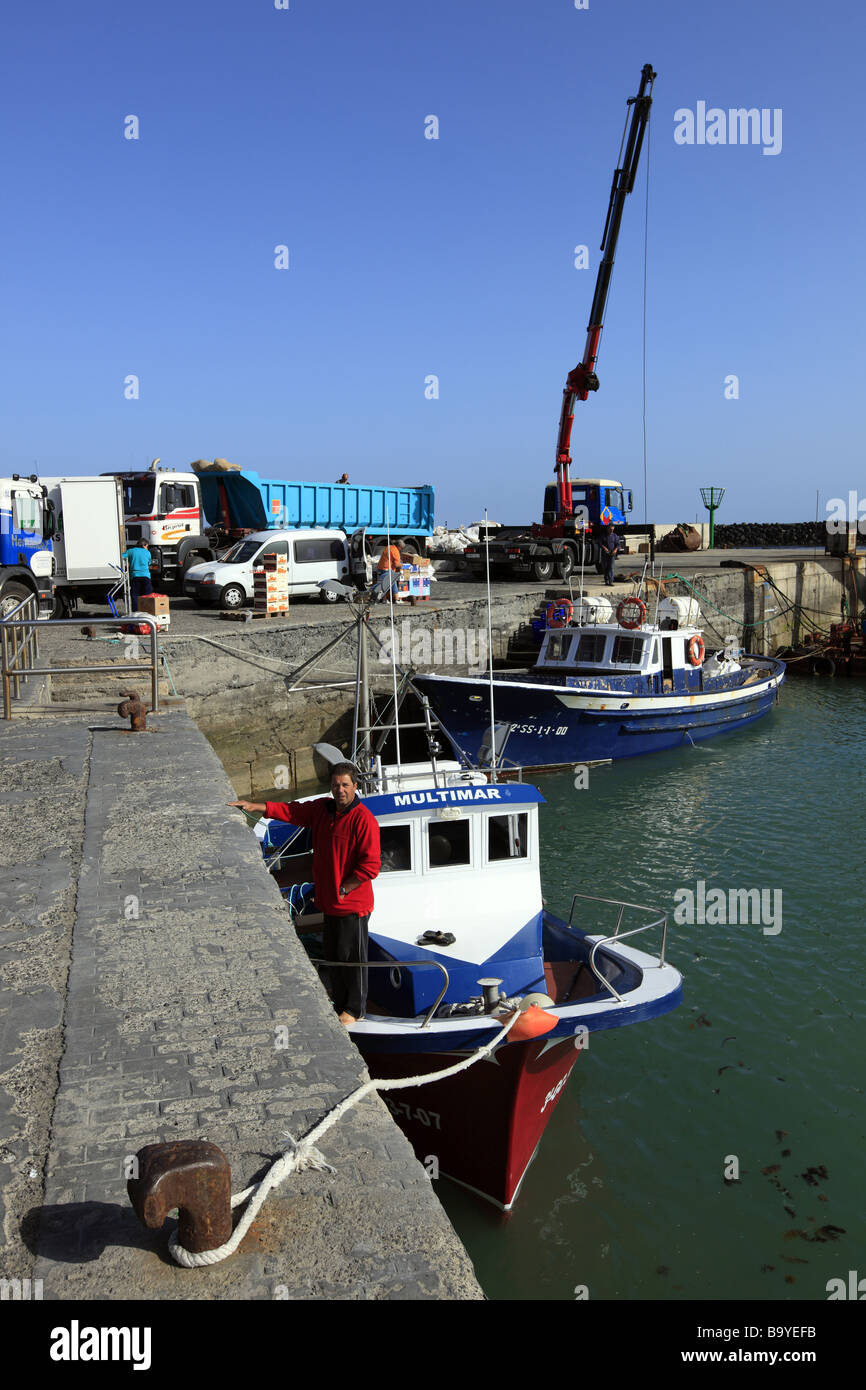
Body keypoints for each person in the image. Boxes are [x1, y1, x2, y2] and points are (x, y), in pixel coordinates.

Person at [229, 764, 380, 1026]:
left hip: (352, 907)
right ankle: (340, 1002)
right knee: (334, 956)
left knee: (351, 960)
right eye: (335, 785)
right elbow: (292, 811)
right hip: (329, 904)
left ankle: (355, 1010)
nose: (340, 790)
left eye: (345, 785)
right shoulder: (322, 809)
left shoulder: (363, 819)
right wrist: (255, 806)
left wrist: (344, 888)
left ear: (355, 787)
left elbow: (370, 866)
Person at [122, 538, 155, 611]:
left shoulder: (131, 551)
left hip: (135, 576)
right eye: (147, 546)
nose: (147, 548)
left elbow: (122, 556)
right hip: (146, 576)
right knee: (147, 595)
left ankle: (136, 613)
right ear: (144, 545)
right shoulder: (147, 552)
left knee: (135, 595)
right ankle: (147, 612)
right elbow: (149, 563)